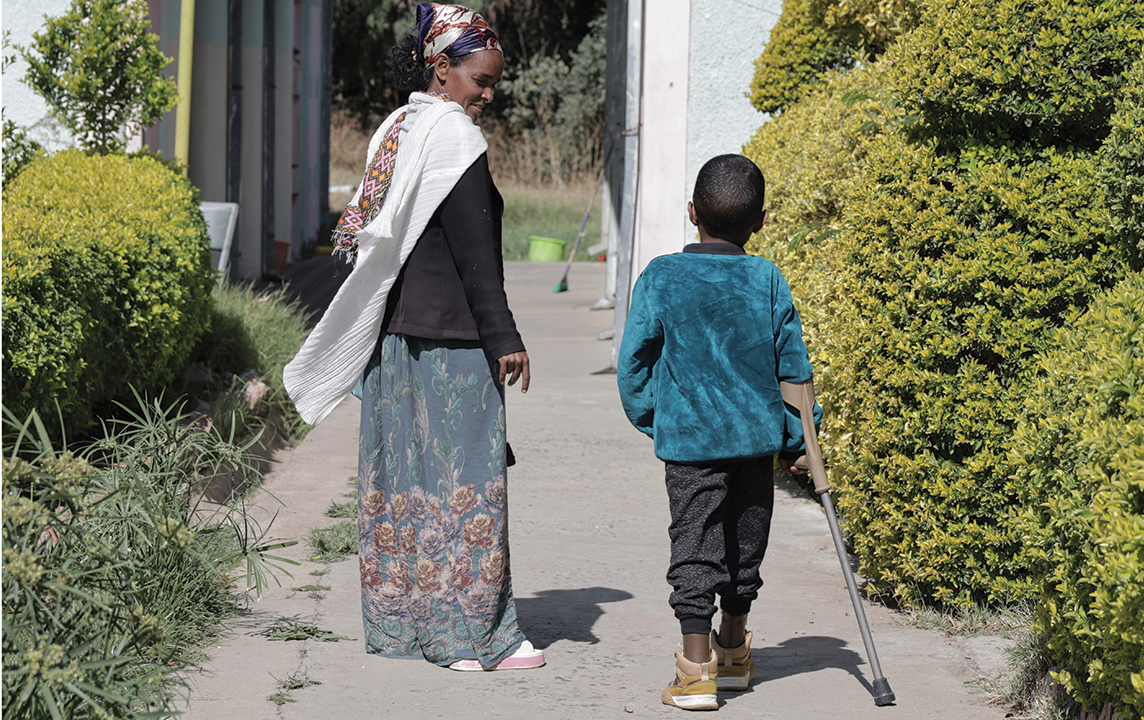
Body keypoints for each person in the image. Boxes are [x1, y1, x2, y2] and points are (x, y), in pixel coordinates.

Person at [284, 3, 544, 672]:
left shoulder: (397, 128)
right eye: (480, 81)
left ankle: (410, 630)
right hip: (452, 340)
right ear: (442, 68)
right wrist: (503, 335)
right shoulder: (453, 137)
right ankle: (472, 638)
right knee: (465, 486)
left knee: (405, 488)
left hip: (393, 339)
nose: (486, 96)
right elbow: (473, 251)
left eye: (491, 84)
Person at [616, 154, 820, 710]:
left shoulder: (661, 276)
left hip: (690, 442)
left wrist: (654, 417)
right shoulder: (767, 278)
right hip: (755, 438)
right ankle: (732, 652)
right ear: (762, 221)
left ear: (690, 213)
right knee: (746, 542)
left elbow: (634, 361)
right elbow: (792, 370)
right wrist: (800, 444)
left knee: (695, 541)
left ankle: (695, 669)